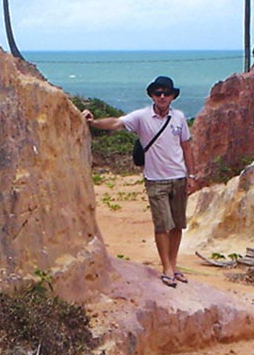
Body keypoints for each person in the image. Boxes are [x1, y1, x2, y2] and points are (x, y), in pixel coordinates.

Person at [82, 75, 197, 288]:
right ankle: (166, 267)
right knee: (163, 225)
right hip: (155, 180)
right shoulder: (142, 117)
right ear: (152, 95)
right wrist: (93, 123)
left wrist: (191, 176)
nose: (162, 97)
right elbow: (117, 122)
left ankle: (174, 264)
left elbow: (187, 147)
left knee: (177, 224)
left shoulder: (179, 118)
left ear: (173, 96)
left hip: (179, 177)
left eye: (166, 93)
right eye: (158, 93)